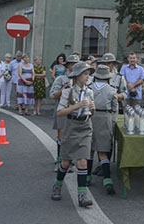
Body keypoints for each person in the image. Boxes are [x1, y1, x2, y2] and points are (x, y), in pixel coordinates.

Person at [51, 61, 95, 207]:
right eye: (85, 74)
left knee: (83, 161)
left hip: (85, 126)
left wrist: (92, 108)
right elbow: (60, 112)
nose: (87, 77)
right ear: (76, 76)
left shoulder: (89, 91)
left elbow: (91, 112)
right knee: (66, 161)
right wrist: (76, 106)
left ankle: (82, 194)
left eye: (88, 74)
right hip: (71, 126)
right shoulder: (67, 91)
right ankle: (57, 185)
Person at [88, 64, 124, 194]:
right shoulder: (111, 90)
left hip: (91, 117)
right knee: (103, 150)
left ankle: (87, 176)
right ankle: (107, 179)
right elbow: (115, 107)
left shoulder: (89, 88)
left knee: (90, 149)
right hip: (105, 117)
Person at [50, 55, 80, 164]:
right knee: (62, 134)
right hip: (63, 108)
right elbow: (53, 95)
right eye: (72, 64)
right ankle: (60, 158)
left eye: (77, 64)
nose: (75, 66)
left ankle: (70, 158)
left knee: (74, 136)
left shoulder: (80, 79)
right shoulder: (61, 79)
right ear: (68, 65)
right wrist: (63, 89)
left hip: (76, 110)